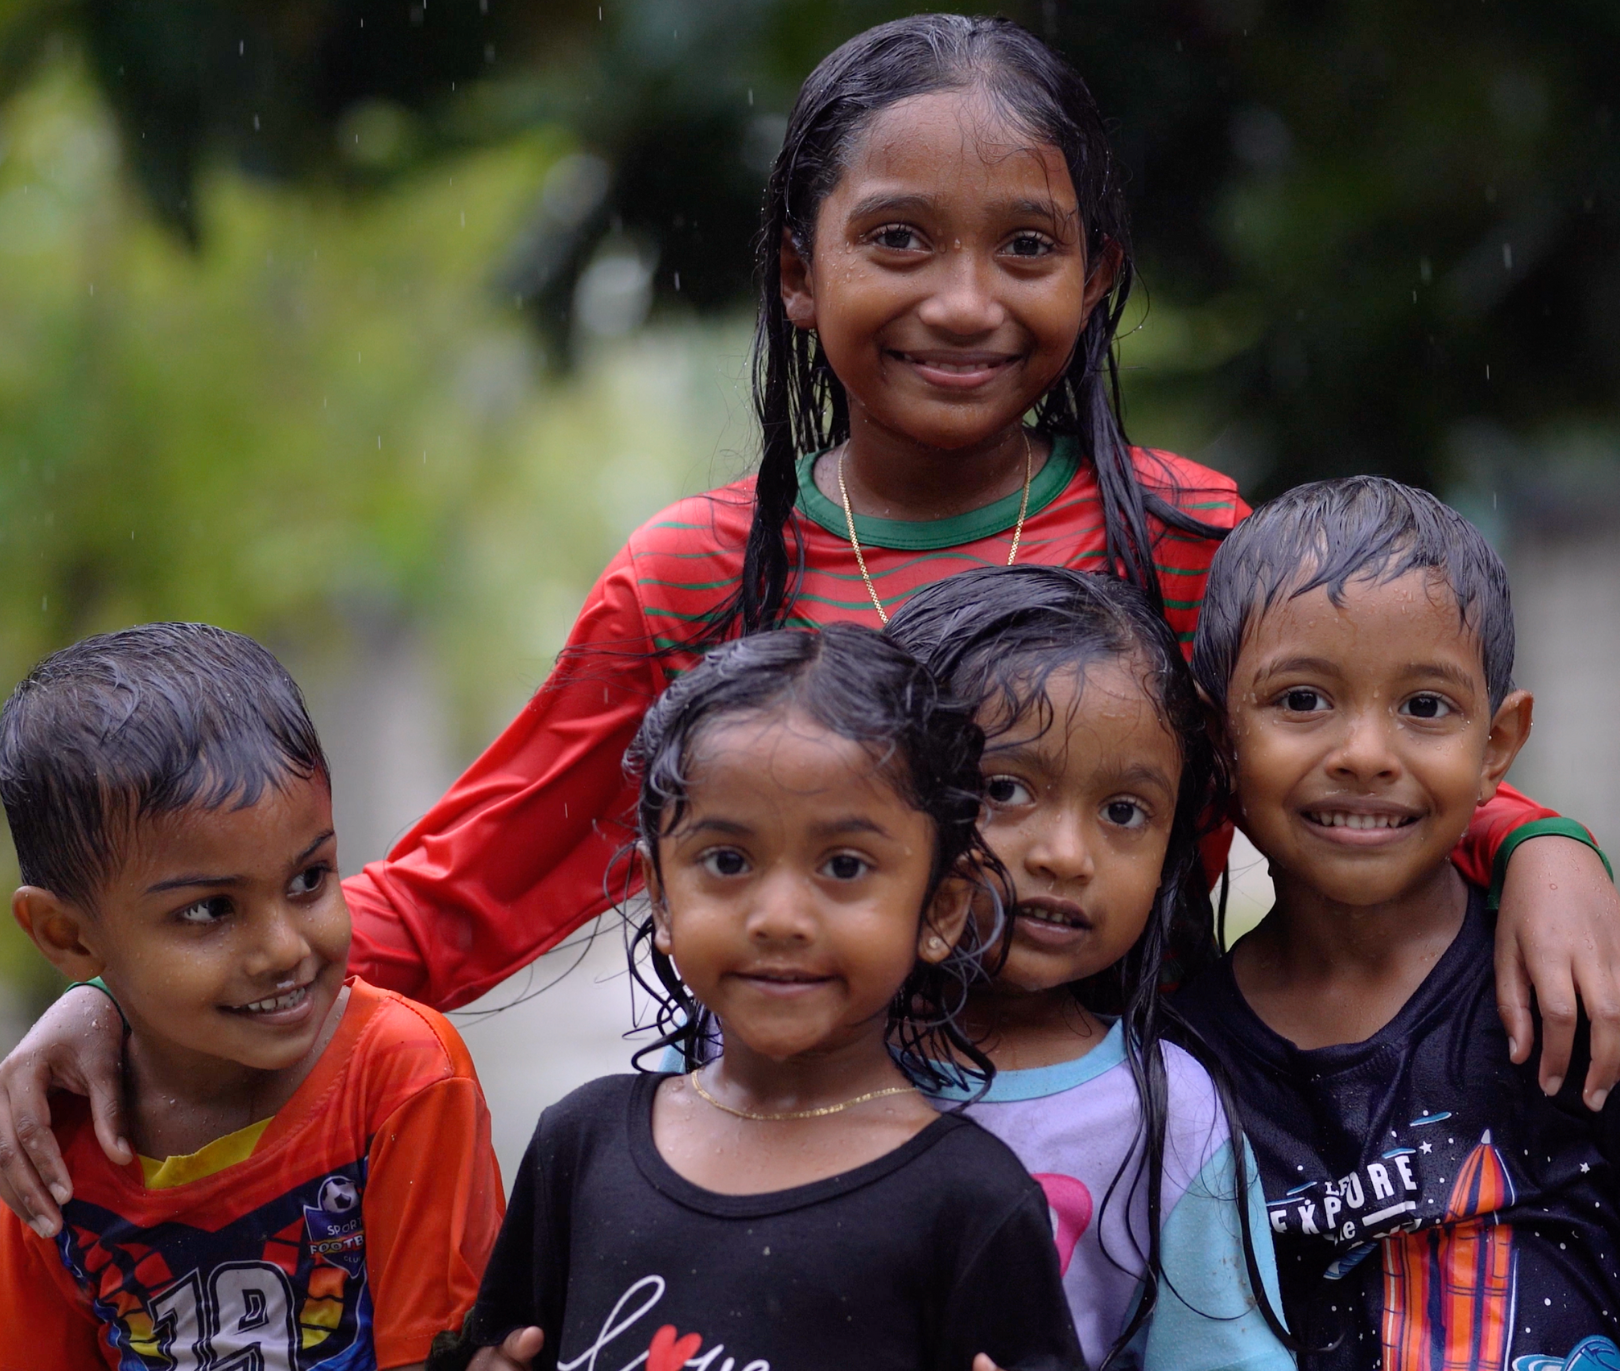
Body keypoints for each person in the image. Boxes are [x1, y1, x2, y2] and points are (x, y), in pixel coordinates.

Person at [4, 14, 1615, 1232]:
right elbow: (460, 898)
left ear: (1098, 271)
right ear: (796, 269)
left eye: (1028, 250)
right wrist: (124, 991)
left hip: (1130, 1185)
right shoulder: (699, 580)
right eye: (898, 240)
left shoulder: (1183, 534)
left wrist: (1533, 844)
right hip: (787, 1191)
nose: (965, 302)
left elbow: (1354, 749)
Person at [434, 624, 1084, 1371]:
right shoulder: (579, 1147)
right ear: (663, 900)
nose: (778, 918)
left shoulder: (971, 1205)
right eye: (728, 860)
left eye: (844, 866)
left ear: (939, 910)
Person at [1175, 479, 1620, 1369]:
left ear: (1496, 747)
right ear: (1218, 742)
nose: (1366, 756)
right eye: (1301, 700)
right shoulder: (1180, 1065)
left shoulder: (1565, 988)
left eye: (1424, 707)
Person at [0, 624, 504, 1371]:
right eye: (209, 910)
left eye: (310, 880)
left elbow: (432, 1352)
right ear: (69, 937)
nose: (286, 950)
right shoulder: (47, 1141)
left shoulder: (399, 1078)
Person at [889, 566, 1292, 1371]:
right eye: (1003, 788)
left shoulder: (1169, 1119)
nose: (1067, 856)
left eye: (1122, 812)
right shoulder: (759, 1055)